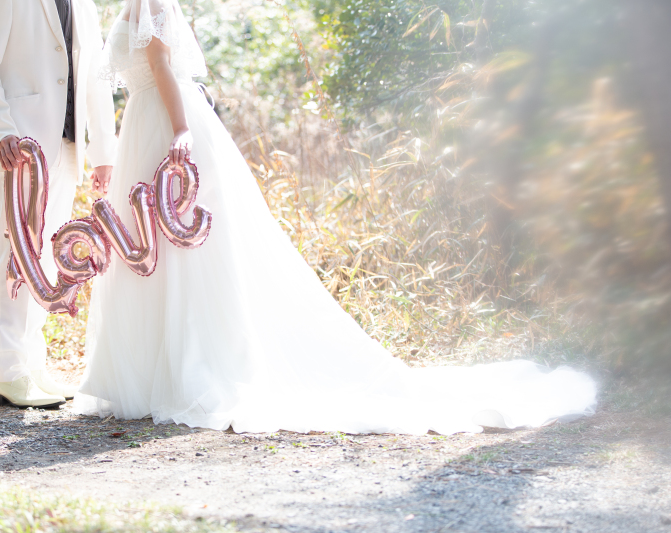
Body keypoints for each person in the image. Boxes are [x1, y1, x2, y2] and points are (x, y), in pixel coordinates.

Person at [75, 0, 597, 434]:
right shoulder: (131, 6)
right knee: (158, 249)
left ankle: (189, 368)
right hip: (144, 126)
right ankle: (154, 371)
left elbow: (162, 64)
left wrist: (182, 131)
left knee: (186, 250)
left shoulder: (150, 3)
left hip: (166, 125)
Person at [0, 0, 117, 408]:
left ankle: (31, 364)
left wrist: (104, 150)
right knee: (15, 259)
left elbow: (95, 76)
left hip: (66, 149)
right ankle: (6, 370)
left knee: (46, 262)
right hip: (19, 149)